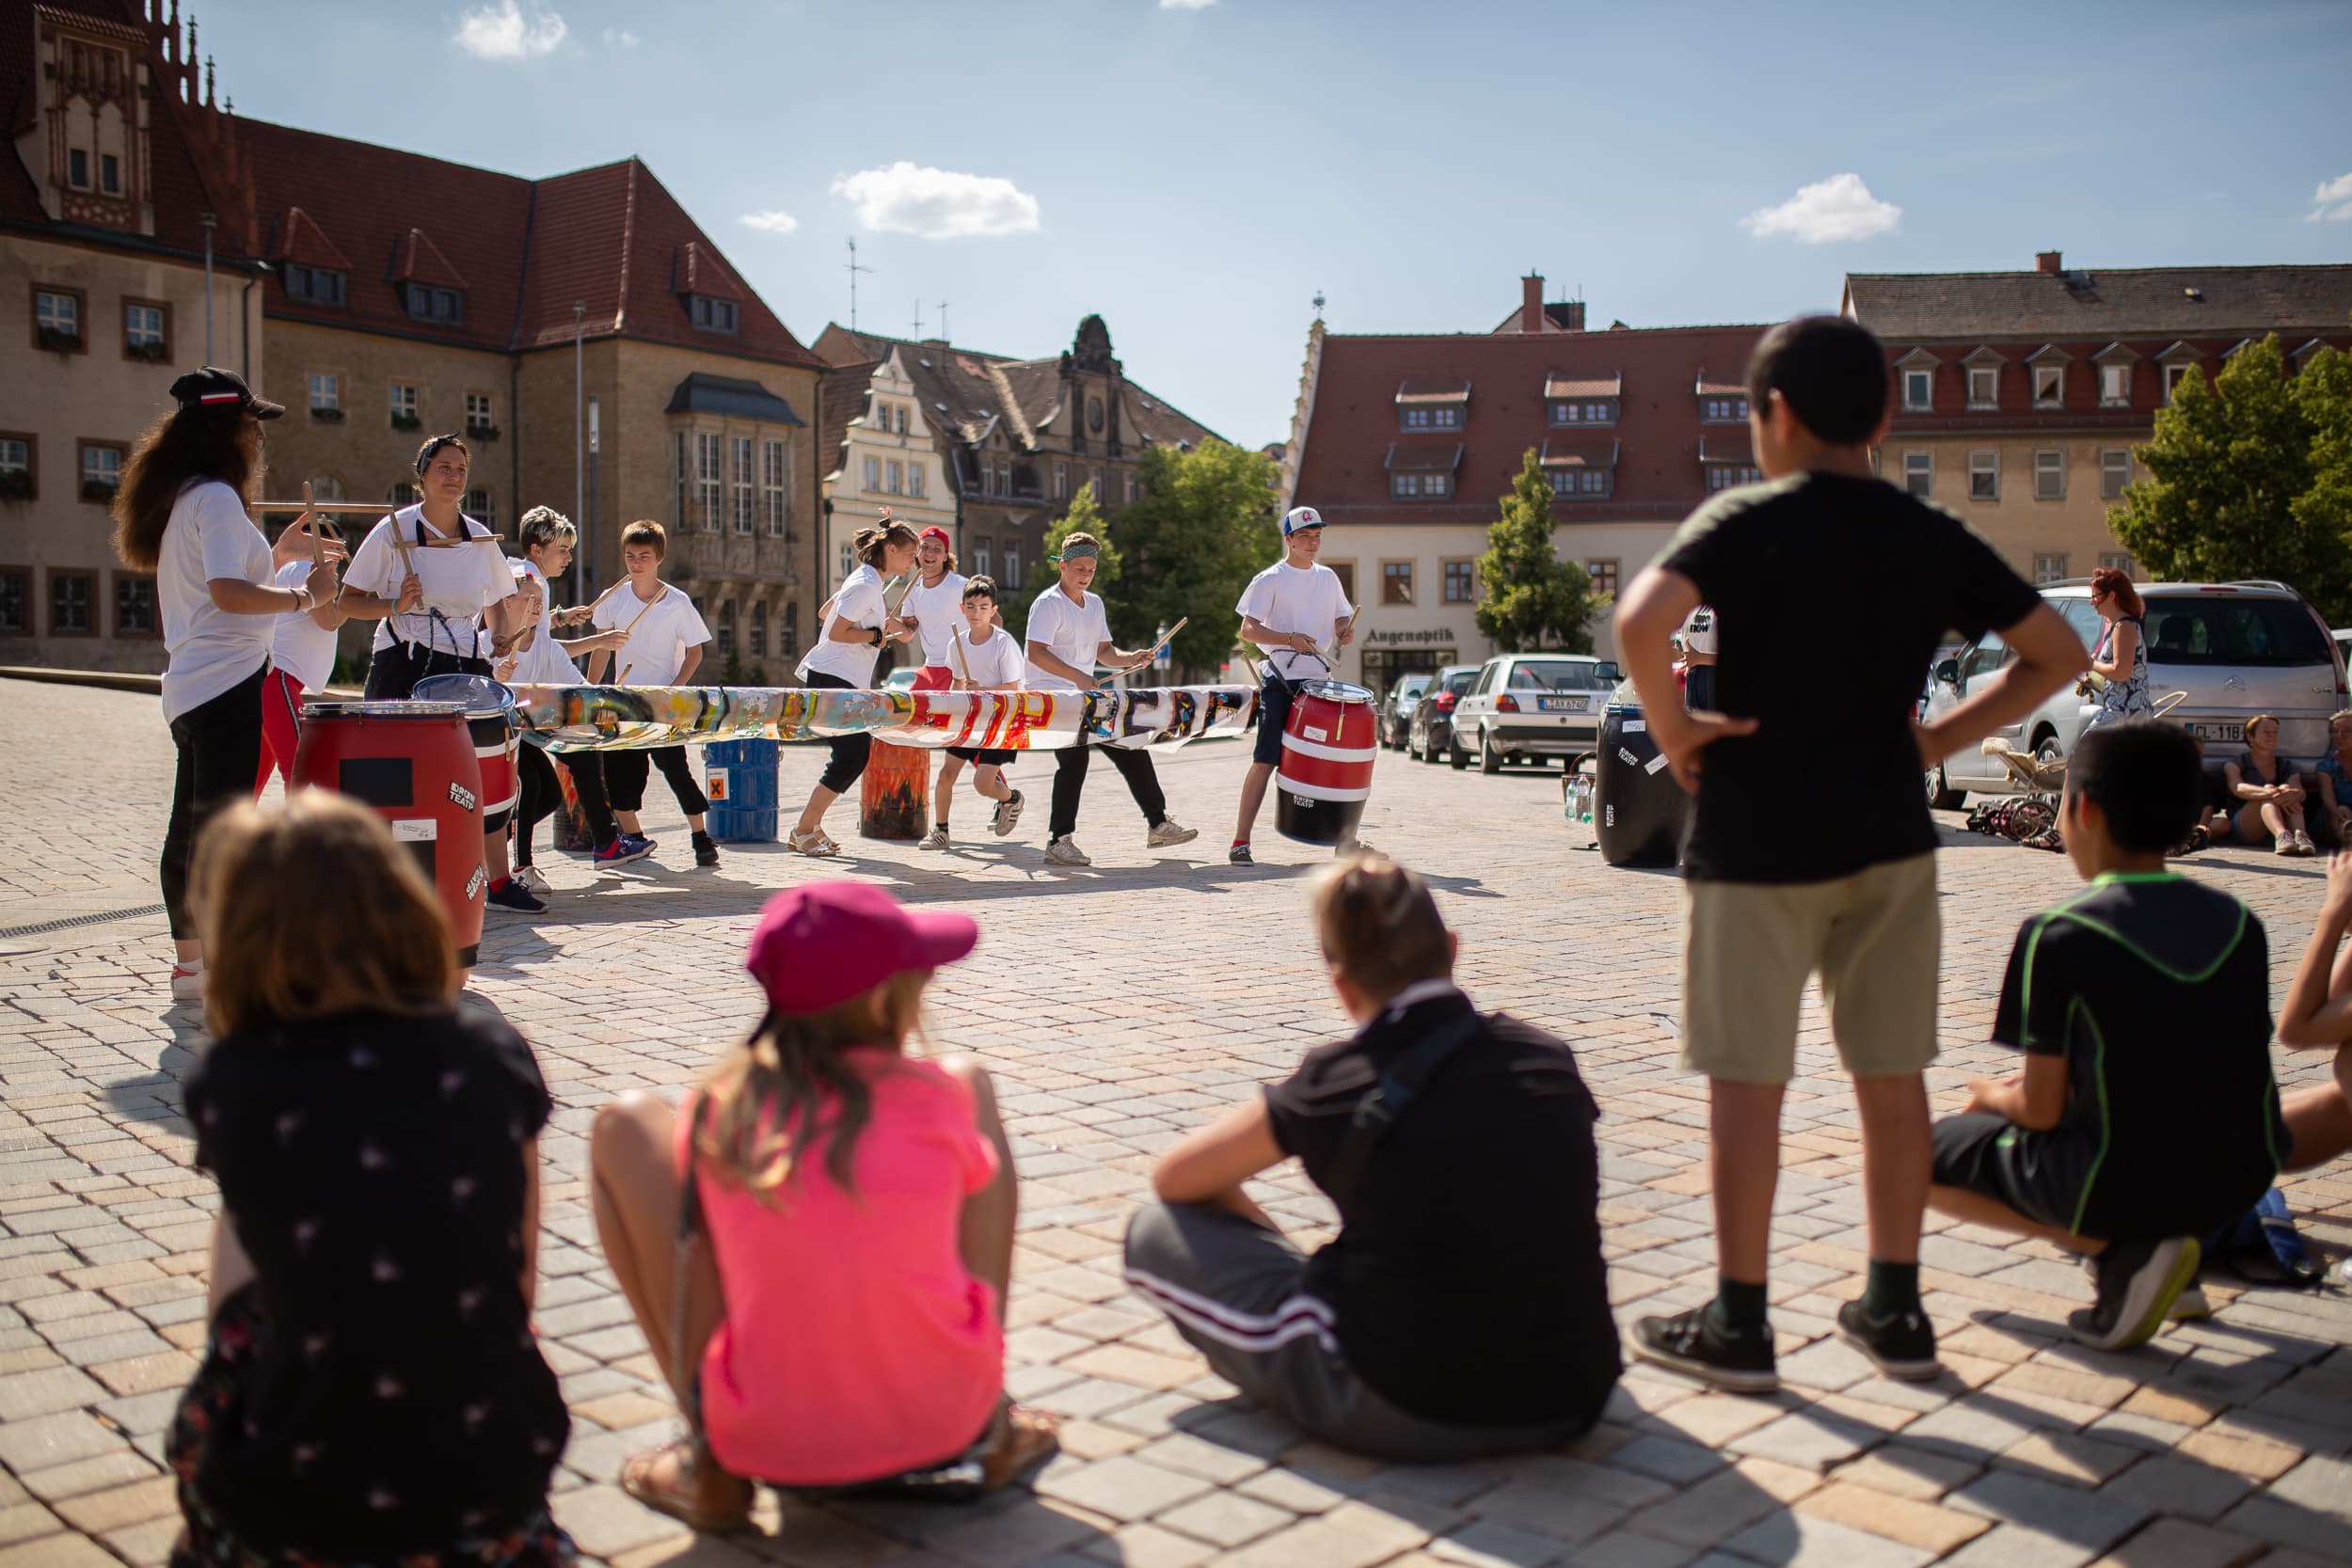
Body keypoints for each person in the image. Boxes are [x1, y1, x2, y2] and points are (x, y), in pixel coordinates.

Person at [1613, 315, 2081, 1392]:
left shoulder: (1742, 517)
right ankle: (1895, 1302)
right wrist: (1939, 739)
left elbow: (1642, 624)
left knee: (1747, 1082)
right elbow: (2051, 653)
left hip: (1752, 840)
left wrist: (1678, 733)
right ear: (1880, 417)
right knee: (1889, 1077)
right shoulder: (1926, 533)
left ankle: (1738, 1320)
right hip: (1887, 838)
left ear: (1770, 417)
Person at [169, 791, 573, 1565]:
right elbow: (514, 1278)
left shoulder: (238, 1079)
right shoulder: (492, 1050)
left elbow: (230, 1305)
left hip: (293, 1488)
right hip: (488, 1462)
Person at [587, 882, 1057, 1528]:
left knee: (626, 1120)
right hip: (947, 1417)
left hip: (766, 1435)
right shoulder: (941, 1097)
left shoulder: (722, 1106)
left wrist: (715, 1429)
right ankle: (991, 1412)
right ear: (880, 996)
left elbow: (697, 1277)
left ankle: (707, 1460)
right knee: (969, 1082)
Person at [1123, 857, 1618, 1460]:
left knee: (1153, 1230)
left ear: (1341, 982)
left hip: (1404, 1399)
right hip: (1572, 1393)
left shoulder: (1336, 1079)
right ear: (1453, 949)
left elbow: (1176, 1179)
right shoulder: (1547, 1056)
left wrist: (1277, 1248)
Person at [1927, 722, 2286, 1350]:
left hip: (2123, 1176)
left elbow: (2038, 1110)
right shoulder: (2240, 922)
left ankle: (2126, 1250)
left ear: (2082, 808)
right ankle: (2173, 1260)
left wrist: (1990, 1093)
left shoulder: (2058, 933)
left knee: (1916, 1156)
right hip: (2237, 1178)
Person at [110, 366, 340, 1002]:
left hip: (193, 686)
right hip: (226, 686)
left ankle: (193, 968)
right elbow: (227, 594)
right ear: (227, 428)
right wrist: (304, 594)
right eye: (250, 423)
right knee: (223, 833)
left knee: (193, 828)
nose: (256, 437)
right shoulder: (213, 497)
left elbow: (223, 585)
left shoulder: (190, 496)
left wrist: (278, 550)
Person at [340, 435, 537, 911]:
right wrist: (395, 603)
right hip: (403, 657)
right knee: (390, 776)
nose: (453, 476)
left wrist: (501, 638)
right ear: (422, 477)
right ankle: (381, 883)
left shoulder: (479, 537)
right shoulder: (394, 531)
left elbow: (495, 601)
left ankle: (497, 881)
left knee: (480, 770)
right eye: (443, 467)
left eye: (460, 468)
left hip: (465, 665)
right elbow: (346, 602)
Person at [1025, 533, 1198, 867]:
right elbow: (1035, 653)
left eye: (1091, 568)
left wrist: (1131, 658)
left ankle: (1158, 824)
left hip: (1084, 695)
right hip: (1053, 695)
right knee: (1075, 762)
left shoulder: (1096, 604)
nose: (1085, 574)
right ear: (1062, 566)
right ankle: (1059, 841)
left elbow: (1104, 651)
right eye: (1079, 568)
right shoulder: (1048, 603)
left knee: (1131, 746)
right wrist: (1077, 676)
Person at [501, 507, 644, 874]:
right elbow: (513, 637)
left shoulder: (531, 580)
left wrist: (566, 622)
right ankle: (508, 855)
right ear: (537, 550)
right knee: (537, 786)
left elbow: (543, 644)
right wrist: (599, 641)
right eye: (562, 549)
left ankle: (605, 841)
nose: (568, 557)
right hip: (507, 711)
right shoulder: (524, 579)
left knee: (577, 757)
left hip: (528, 706)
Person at [585, 521, 721, 869]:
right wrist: (591, 691)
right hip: (622, 699)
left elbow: (695, 652)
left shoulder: (676, 601)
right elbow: (600, 647)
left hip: (663, 701)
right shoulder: (613, 597)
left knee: (676, 769)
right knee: (619, 776)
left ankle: (700, 837)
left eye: (644, 556)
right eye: (630, 556)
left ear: (659, 558)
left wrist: (676, 688)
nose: (636, 563)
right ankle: (636, 839)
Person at [1229, 506, 1358, 865]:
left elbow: (1341, 617)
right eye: (1305, 537)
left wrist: (1344, 631)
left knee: (1330, 760)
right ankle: (1241, 840)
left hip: (1320, 682)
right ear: (1288, 539)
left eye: (1317, 536)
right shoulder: (1270, 579)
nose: (1313, 543)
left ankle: (1344, 838)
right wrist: (1288, 638)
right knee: (1266, 759)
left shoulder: (1328, 577)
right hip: (1281, 679)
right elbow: (1248, 630)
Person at [788, 520, 920, 856]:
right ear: (890, 550)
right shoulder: (865, 585)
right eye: (908, 555)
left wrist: (887, 627)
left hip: (838, 676)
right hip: (835, 676)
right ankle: (804, 828)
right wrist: (874, 636)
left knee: (850, 755)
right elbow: (835, 630)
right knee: (852, 756)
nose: (911, 564)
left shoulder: (863, 580)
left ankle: (812, 826)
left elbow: (824, 612)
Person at [923, 577, 1027, 849]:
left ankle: (1011, 799)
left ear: (994, 610)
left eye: (983, 607)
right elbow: (957, 683)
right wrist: (952, 706)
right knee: (946, 775)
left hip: (1000, 721)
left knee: (983, 784)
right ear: (962, 608)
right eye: (971, 606)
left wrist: (983, 689)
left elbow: (1014, 688)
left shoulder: (1003, 643)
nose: (976, 612)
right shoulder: (955, 644)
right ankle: (941, 831)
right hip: (969, 719)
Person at [253, 547, 351, 797]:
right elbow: (329, 620)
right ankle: (300, 835)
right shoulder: (305, 570)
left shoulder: (292, 570)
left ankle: (226, 833)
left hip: (273, 678)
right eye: (335, 549)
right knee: (301, 767)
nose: (338, 560)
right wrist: (355, 595)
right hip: (278, 679)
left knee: (254, 775)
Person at [2225, 714, 2313, 856]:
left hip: (2281, 816)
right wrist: (2271, 792)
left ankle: (2301, 835)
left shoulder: (2286, 765)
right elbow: (2238, 788)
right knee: (2268, 791)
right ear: (2250, 736)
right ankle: (2281, 835)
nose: (2272, 736)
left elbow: (2299, 791)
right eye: (2266, 732)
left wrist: (2292, 793)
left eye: (2275, 732)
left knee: (2287, 789)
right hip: (2247, 826)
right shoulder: (2236, 763)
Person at [897, 526, 968, 693]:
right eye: (925, 547)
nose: (930, 553)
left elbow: (994, 620)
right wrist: (883, 613)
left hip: (960, 669)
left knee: (949, 718)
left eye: (937, 549)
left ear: (945, 556)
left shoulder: (961, 586)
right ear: (917, 553)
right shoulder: (912, 589)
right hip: (930, 668)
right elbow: (907, 633)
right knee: (908, 715)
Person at [2081, 568, 2152, 734]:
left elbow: (2121, 672)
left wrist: (2091, 664)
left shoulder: (2124, 627)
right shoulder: (2115, 626)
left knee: (2082, 755)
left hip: (2125, 716)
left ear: (2112, 596)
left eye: (2096, 596)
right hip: (2120, 712)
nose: (2092, 602)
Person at [2310, 710, 2352, 842]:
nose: (2340, 736)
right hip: (2333, 814)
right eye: (2335, 731)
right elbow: (2327, 796)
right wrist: (2339, 813)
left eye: (2347, 731)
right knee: (2342, 811)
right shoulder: (2327, 765)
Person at [1677, 605, 1720, 711]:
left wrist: (1700, 657)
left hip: (1714, 677)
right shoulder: (1689, 605)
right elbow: (1680, 650)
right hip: (1692, 676)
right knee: (1695, 724)